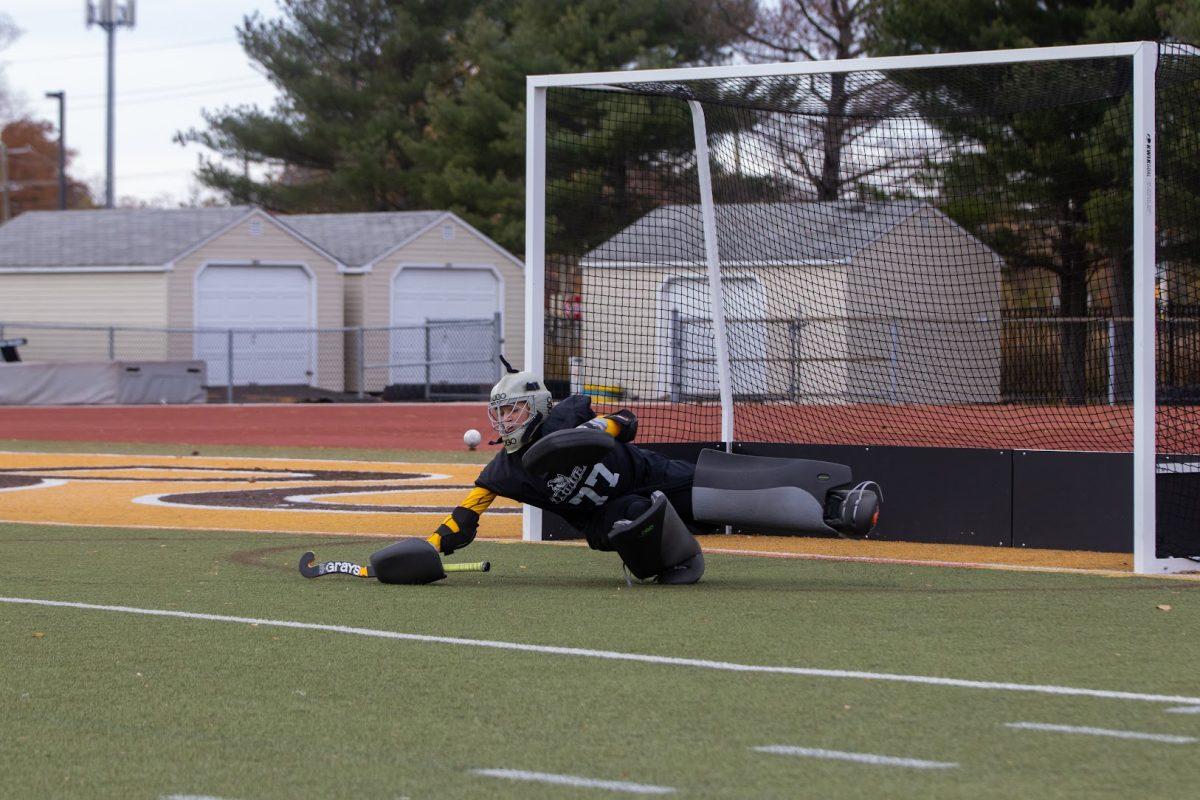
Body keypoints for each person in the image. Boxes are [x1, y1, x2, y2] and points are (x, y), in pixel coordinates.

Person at [427, 363, 709, 583]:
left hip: (647, 472)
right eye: (500, 413)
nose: (505, 419)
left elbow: (625, 420)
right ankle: (678, 559)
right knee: (636, 514)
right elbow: (463, 519)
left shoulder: (569, 416)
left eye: (513, 410)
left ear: (537, 404)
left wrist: (596, 429)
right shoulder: (503, 471)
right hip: (606, 518)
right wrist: (429, 548)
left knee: (717, 489)